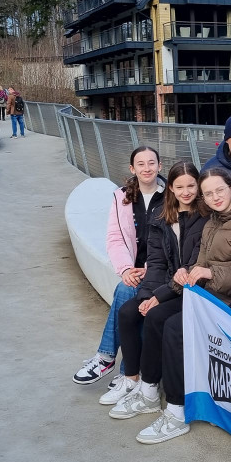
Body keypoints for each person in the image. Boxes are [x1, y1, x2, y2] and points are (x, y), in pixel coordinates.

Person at [112, 168, 231, 445]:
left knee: (174, 328)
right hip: (204, 296)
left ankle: (177, 411)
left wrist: (208, 272)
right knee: (155, 315)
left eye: (219, 190)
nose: (215, 197)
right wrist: (184, 276)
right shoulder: (214, 220)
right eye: (208, 193)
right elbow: (198, 266)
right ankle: (148, 392)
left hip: (227, 303)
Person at [101, 161, 206, 407]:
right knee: (128, 311)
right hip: (167, 284)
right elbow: (157, 264)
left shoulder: (204, 218)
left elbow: (192, 266)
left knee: (156, 315)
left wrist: (157, 298)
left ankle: (149, 386)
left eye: (191, 185)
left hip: (191, 289)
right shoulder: (161, 219)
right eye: (179, 186)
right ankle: (131, 378)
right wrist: (147, 295)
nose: (186, 192)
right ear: (170, 187)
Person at [72, 147, 165, 385]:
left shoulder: (170, 196)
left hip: (161, 269)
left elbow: (173, 241)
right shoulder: (121, 197)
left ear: (160, 166)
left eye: (151, 163)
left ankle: (109, 359)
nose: (147, 168)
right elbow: (114, 238)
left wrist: (149, 268)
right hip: (133, 269)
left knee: (125, 293)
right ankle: (127, 371)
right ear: (132, 169)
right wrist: (125, 269)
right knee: (129, 290)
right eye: (141, 164)